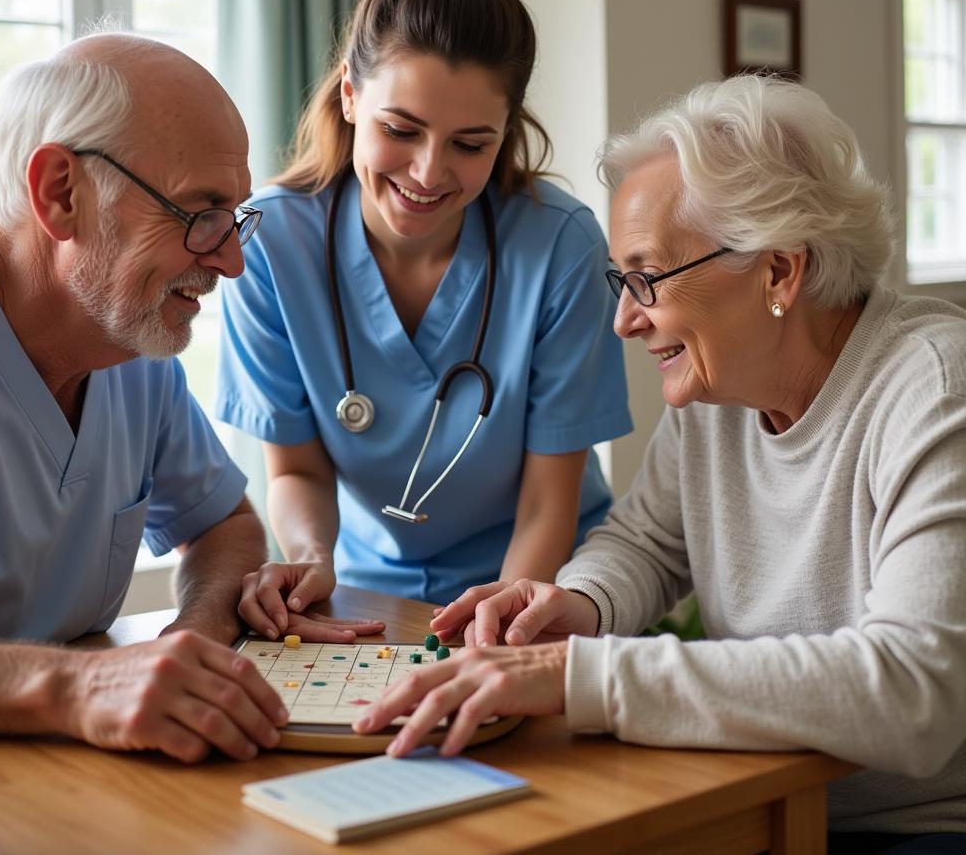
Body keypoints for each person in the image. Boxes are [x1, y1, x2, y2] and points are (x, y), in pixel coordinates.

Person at [353, 75, 966, 851]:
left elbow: (914, 694)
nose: (623, 320)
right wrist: (576, 607)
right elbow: (645, 542)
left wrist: (578, 679)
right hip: (759, 800)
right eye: (620, 280)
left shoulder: (934, 388)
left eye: (646, 277)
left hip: (916, 828)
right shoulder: (725, 392)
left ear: (779, 271)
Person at [0, 33, 382, 764]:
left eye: (235, 215)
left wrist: (196, 633)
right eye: (199, 212)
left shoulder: (129, 346)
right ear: (60, 193)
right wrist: (79, 688)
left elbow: (225, 528)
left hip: (78, 772)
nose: (232, 260)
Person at [216, 0, 632, 635]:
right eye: (400, 130)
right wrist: (310, 558)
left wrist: (502, 624)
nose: (429, 172)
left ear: (506, 132)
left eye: (471, 143)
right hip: (371, 599)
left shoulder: (561, 250)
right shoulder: (269, 244)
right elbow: (298, 469)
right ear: (349, 94)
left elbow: (548, 499)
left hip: (546, 588)